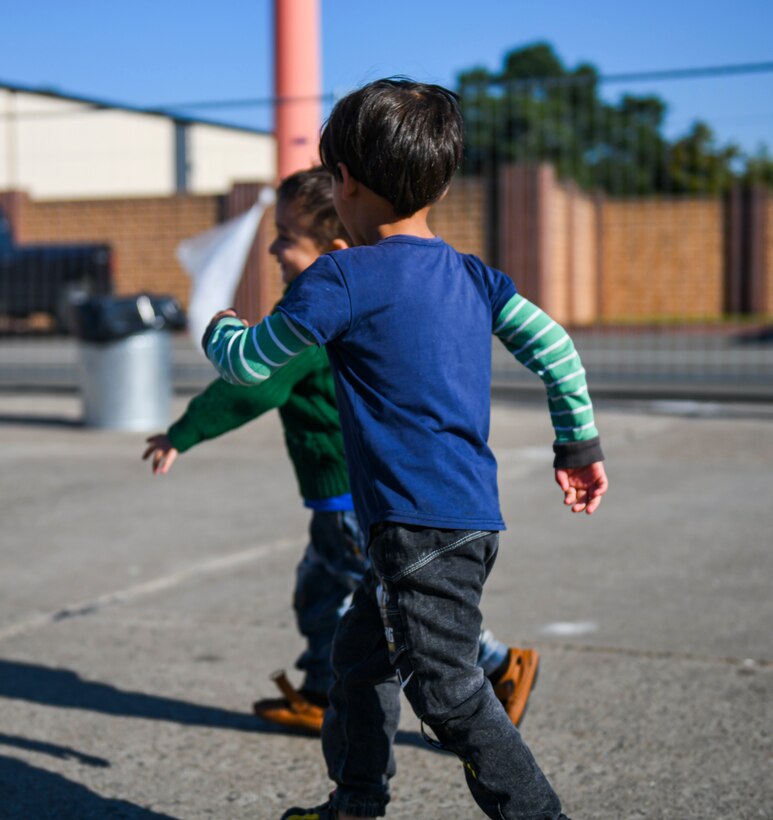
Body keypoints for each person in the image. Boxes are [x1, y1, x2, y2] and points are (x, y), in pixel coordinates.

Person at [202, 77, 608, 818]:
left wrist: (217, 326)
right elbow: (555, 348)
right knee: (358, 663)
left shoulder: (340, 278)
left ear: (343, 181)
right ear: (440, 184)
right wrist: (576, 444)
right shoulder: (471, 276)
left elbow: (250, 363)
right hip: (462, 518)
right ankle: (354, 805)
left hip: (413, 526)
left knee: (447, 692)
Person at [143, 167, 540, 736]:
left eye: (286, 236)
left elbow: (253, 386)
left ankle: (499, 663)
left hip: (353, 503)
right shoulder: (325, 306)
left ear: (330, 249)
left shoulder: (313, 320)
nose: (275, 249)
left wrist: (182, 432)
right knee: (321, 592)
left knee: (406, 608)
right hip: (337, 503)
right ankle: (320, 690)